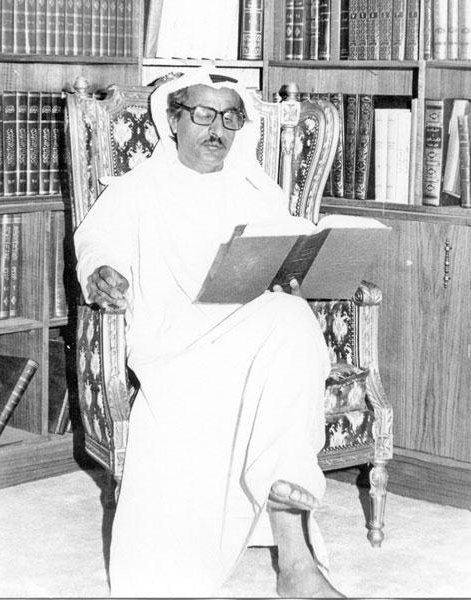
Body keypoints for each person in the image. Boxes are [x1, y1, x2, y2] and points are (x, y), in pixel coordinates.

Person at [74, 67, 343, 598]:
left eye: (229, 117)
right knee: (288, 330)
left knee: (291, 318)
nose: (216, 128)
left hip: (253, 339)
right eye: (202, 114)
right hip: (177, 349)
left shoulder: (257, 191)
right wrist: (103, 273)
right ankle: (295, 557)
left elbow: (283, 263)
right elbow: (97, 246)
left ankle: (295, 560)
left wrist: (292, 278)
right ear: (174, 121)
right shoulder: (135, 190)